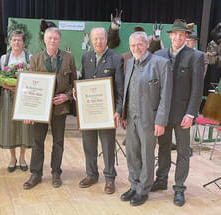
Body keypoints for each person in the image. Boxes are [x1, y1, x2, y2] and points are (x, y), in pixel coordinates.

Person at [152, 19, 204, 206]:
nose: (179, 38)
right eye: (176, 34)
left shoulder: (196, 56)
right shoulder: (158, 54)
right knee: (163, 147)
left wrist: (191, 114)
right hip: (163, 114)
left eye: (183, 35)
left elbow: (197, 89)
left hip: (183, 115)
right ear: (171, 35)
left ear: (186, 37)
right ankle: (161, 180)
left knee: (183, 152)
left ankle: (179, 188)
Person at [120, 31, 172, 206]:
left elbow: (166, 95)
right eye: (133, 45)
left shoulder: (161, 64)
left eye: (140, 44)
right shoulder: (129, 63)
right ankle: (134, 185)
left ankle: (143, 190)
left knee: (146, 155)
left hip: (150, 119)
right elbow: (126, 91)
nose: (136, 48)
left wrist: (161, 121)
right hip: (131, 117)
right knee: (132, 154)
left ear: (147, 44)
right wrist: (124, 114)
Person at [23, 27, 77, 189]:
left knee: (58, 142)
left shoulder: (69, 58)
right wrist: (29, 111)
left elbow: (74, 83)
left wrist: (66, 97)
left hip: (61, 108)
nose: (52, 40)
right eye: (50, 38)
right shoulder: (36, 59)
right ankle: (36, 173)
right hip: (40, 108)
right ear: (44, 40)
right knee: (37, 141)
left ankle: (56, 172)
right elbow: (30, 85)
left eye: (55, 38)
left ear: (59, 40)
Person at [76, 27, 124, 194]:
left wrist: (118, 110)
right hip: (89, 111)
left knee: (108, 146)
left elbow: (120, 88)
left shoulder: (116, 59)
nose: (98, 42)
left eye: (101, 38)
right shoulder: (85, 57)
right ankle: (91, 174)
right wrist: (77, 90)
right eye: (95, 39)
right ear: (91, 40)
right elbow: (82, 80)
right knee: (88, 144)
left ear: (106, 39)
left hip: (107, 113)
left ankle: (110, 178)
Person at [0, 30, 32, 172]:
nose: (16, 42)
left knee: (24, 127)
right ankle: (12, 158)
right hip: (7, 96)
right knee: (9, 127)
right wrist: (6, 84)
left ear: (23, 42)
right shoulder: (4, 58)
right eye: (14, 39)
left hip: (24, 97)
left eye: (19, 40)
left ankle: (22, 157)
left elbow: (33, 77)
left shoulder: (29, 57)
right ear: (10, 42)